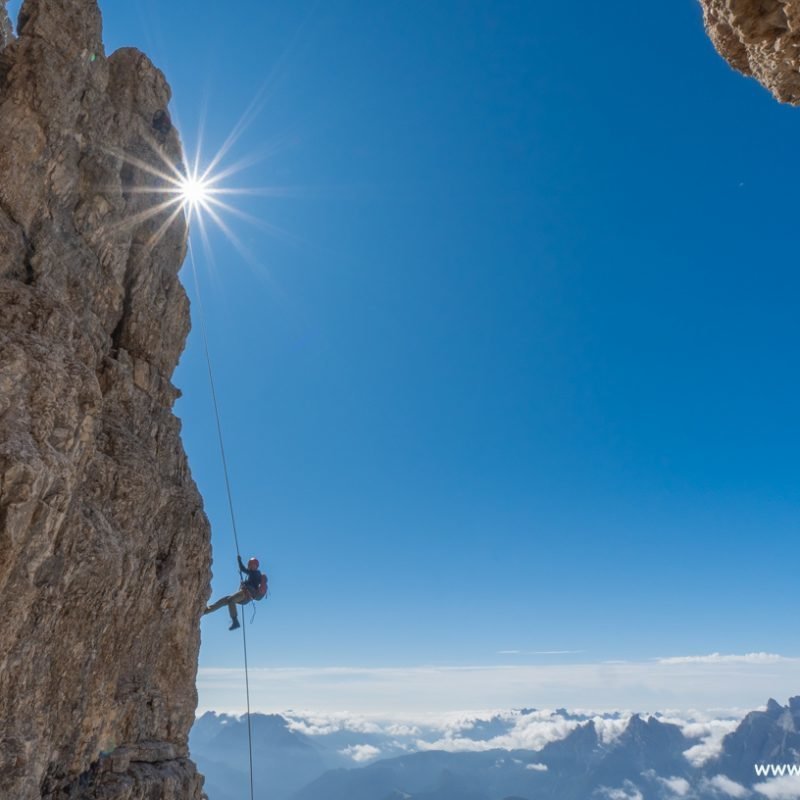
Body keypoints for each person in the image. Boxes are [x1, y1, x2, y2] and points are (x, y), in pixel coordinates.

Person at [204, 556, 266, 630]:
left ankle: (235, 621)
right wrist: (245, 583)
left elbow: (242, 569)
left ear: (255, 566)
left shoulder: (254, 573)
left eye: (251, 565)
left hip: (245, 594)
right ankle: (206, 610)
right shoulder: (256, 575)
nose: (250, 566)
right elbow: (253, 582)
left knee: (230, 600)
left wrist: (239, 560)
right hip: (245, 596)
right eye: (250, 565)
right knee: (226, 600)